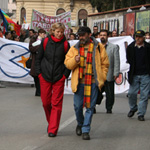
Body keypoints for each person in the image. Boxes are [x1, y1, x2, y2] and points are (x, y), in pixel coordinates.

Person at [64, 26, 109, 140]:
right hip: (79, 82)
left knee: (90, 107)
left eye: (83, 35)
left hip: (93, 82)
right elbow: (67, 63)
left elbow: (105, 64)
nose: (81, 37)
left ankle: (85, 129)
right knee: (78, 106)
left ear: (89, 35)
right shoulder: (75, 48)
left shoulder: (98, 47)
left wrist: (102, 78)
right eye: (80, 35)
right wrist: (75, 60)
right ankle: (80, 123)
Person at [35, 23, 71, 137]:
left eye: (61, 32)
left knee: (56, 104)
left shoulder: (66, 44)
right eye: (57, 31)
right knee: (46, 103)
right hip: (44, 76)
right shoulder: (45, 42)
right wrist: (39, 73)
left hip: (58, 77)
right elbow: (38, 58)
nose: (59, 34)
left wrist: (64, 75)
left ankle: (52, 129)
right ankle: (51, 122)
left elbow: (68, 62)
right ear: (53, 31)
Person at [126, 30, 150, 121]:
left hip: (145, 74)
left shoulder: (148, 47)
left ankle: (141, 113)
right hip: (134, 74)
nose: (138, 38)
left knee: (144, 95)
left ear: (144, 37)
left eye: (140, 37)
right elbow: (129, 59)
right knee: (131, 93)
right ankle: (133, 108)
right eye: (136, 36)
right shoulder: (131, 47)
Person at [97, 29, 120, 113]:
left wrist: (116, 73)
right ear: (99, 36)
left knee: (109, 93)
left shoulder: (113, 47)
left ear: (107, 36)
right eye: (101, 35)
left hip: (109, 73)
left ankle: (109, 108)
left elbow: (116, 61)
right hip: (98, 74)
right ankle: (94, 104)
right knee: (96, 92)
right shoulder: (96, 47)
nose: (102, 36)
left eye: (104, 35)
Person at [29, 29, 46, 96]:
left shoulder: (46, 40)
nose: (43, 35)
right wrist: (39, 46)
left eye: (44, 33)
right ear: (39, 34)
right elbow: (31, 48)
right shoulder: (34, 39)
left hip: (43, 61)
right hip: (35, 60)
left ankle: (40, 91)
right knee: (36, 76)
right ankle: (38, 91)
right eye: (42, 33)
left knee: (41, 77)